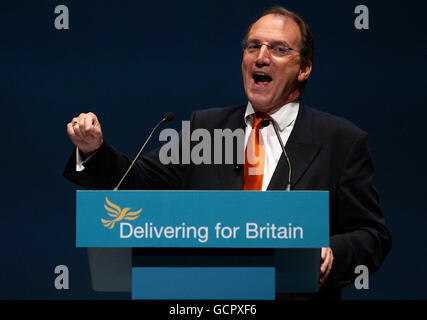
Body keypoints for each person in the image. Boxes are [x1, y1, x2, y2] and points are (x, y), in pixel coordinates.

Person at [63, 6, 391, 299]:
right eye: (253, 46)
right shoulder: (207, 128)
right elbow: (136, 181)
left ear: (303, 68)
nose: (261, 57)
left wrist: (332, 251)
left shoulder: (341, 141)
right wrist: (94, 151)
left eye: (278, 49)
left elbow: (372, 235)